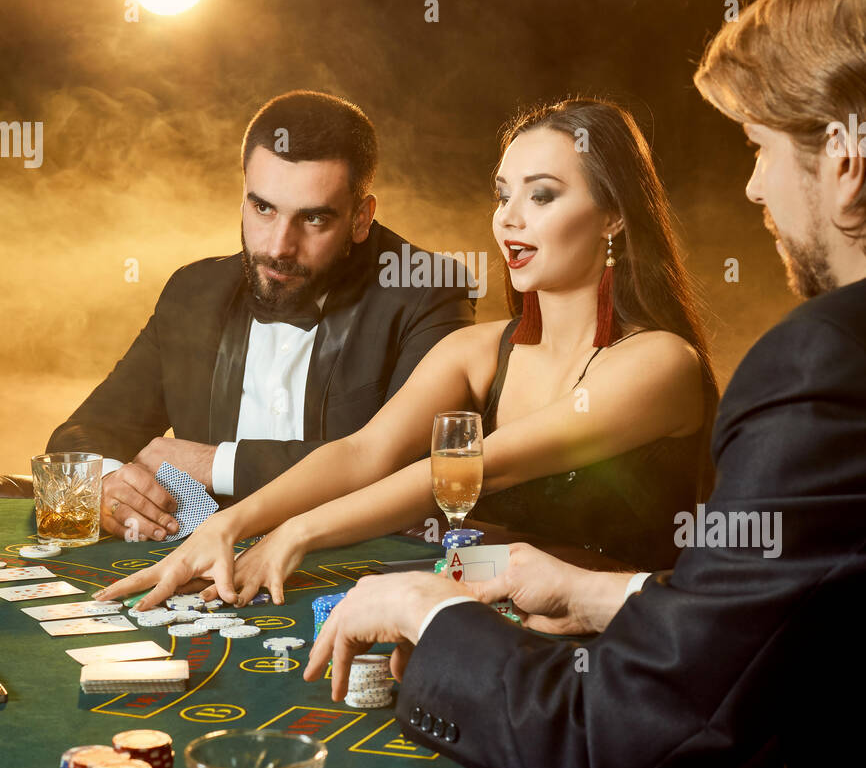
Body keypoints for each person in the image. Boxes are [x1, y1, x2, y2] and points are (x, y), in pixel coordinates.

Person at [303, 0, 866, 768]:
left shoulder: (819, 367)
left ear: (846, 157)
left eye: (758, 148)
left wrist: (427, 613)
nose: (750, 189)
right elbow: (823, 610)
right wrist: (603, 590)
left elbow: (607, 745)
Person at [98, 97, 717, 611]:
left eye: (543, 196)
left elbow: (471, 470)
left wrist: (297, 533)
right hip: (492, 624)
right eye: (504, 195)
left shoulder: (659, 363)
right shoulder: (476, 351)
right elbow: (365, 452)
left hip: (624, 647)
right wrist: (226, 527)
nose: (509, 220)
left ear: (612, 214)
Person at [48, 91, 475, 541]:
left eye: (312, 219)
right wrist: (107, 484)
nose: (277, 247)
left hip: (362, 576)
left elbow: (415, 472)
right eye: (263, 208)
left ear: (361, 218)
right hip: (207, 570)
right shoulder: (193, 293)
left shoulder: (428, 291)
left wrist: (217, 465)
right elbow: (84, 434)